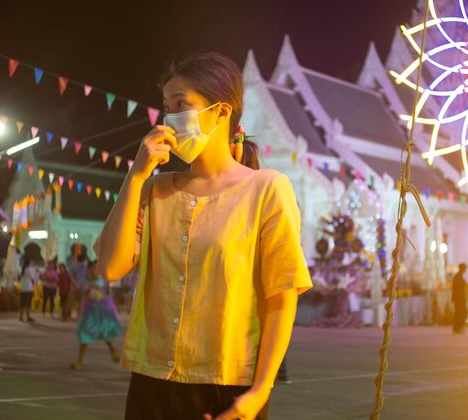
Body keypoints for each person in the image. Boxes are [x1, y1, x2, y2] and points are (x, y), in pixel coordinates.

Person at [95, 52, 312, 420]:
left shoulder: (267, 189)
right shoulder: (154, 191)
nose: (170, 119)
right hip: (152, 382)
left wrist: (260, 392)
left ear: (222, 112)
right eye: (166, 108)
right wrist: (135, 177)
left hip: (226, 386)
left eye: (182, 105)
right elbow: (111, 268)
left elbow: (281, 298)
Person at [70, 261, 123, 370]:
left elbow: (105, 297)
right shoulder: (84, 282)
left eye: (96, 268)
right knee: (84, 337)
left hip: (101, 313)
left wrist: (112, 306)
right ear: (88, 269)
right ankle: (79, 361)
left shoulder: (102, 282)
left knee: (106, 334)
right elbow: (77, 294)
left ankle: (113, 351)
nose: (95, 271)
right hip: (89, 313)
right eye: (93, 268)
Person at [67, 243, 88, 319]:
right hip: (83, 286)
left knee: (71, 301)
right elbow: (87, 276)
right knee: (81, 302)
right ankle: (79, 316)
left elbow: (70, 275)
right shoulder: (86, 266)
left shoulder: (73, 265)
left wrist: (74, 283)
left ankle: (67, 315)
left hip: (75, 286)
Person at [19, 256, 37, 322]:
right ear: (29, 263)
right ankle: (28, 317)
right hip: (29, 288)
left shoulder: (22, 269)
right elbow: (33, 278)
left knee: (22, 304)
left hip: (23, 288)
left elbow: (20, 278)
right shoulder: (30, 269)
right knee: (28, 304)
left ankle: (21, 316)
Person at [451, 263, 468, 334]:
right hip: (459, 299)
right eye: (465, 268)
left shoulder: (459, 276)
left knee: (462, 312)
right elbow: (457, 289)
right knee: (460, 313)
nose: (465, 270)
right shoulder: (457, 277)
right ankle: (458, 327)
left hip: (461, 298)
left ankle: (459, 327)